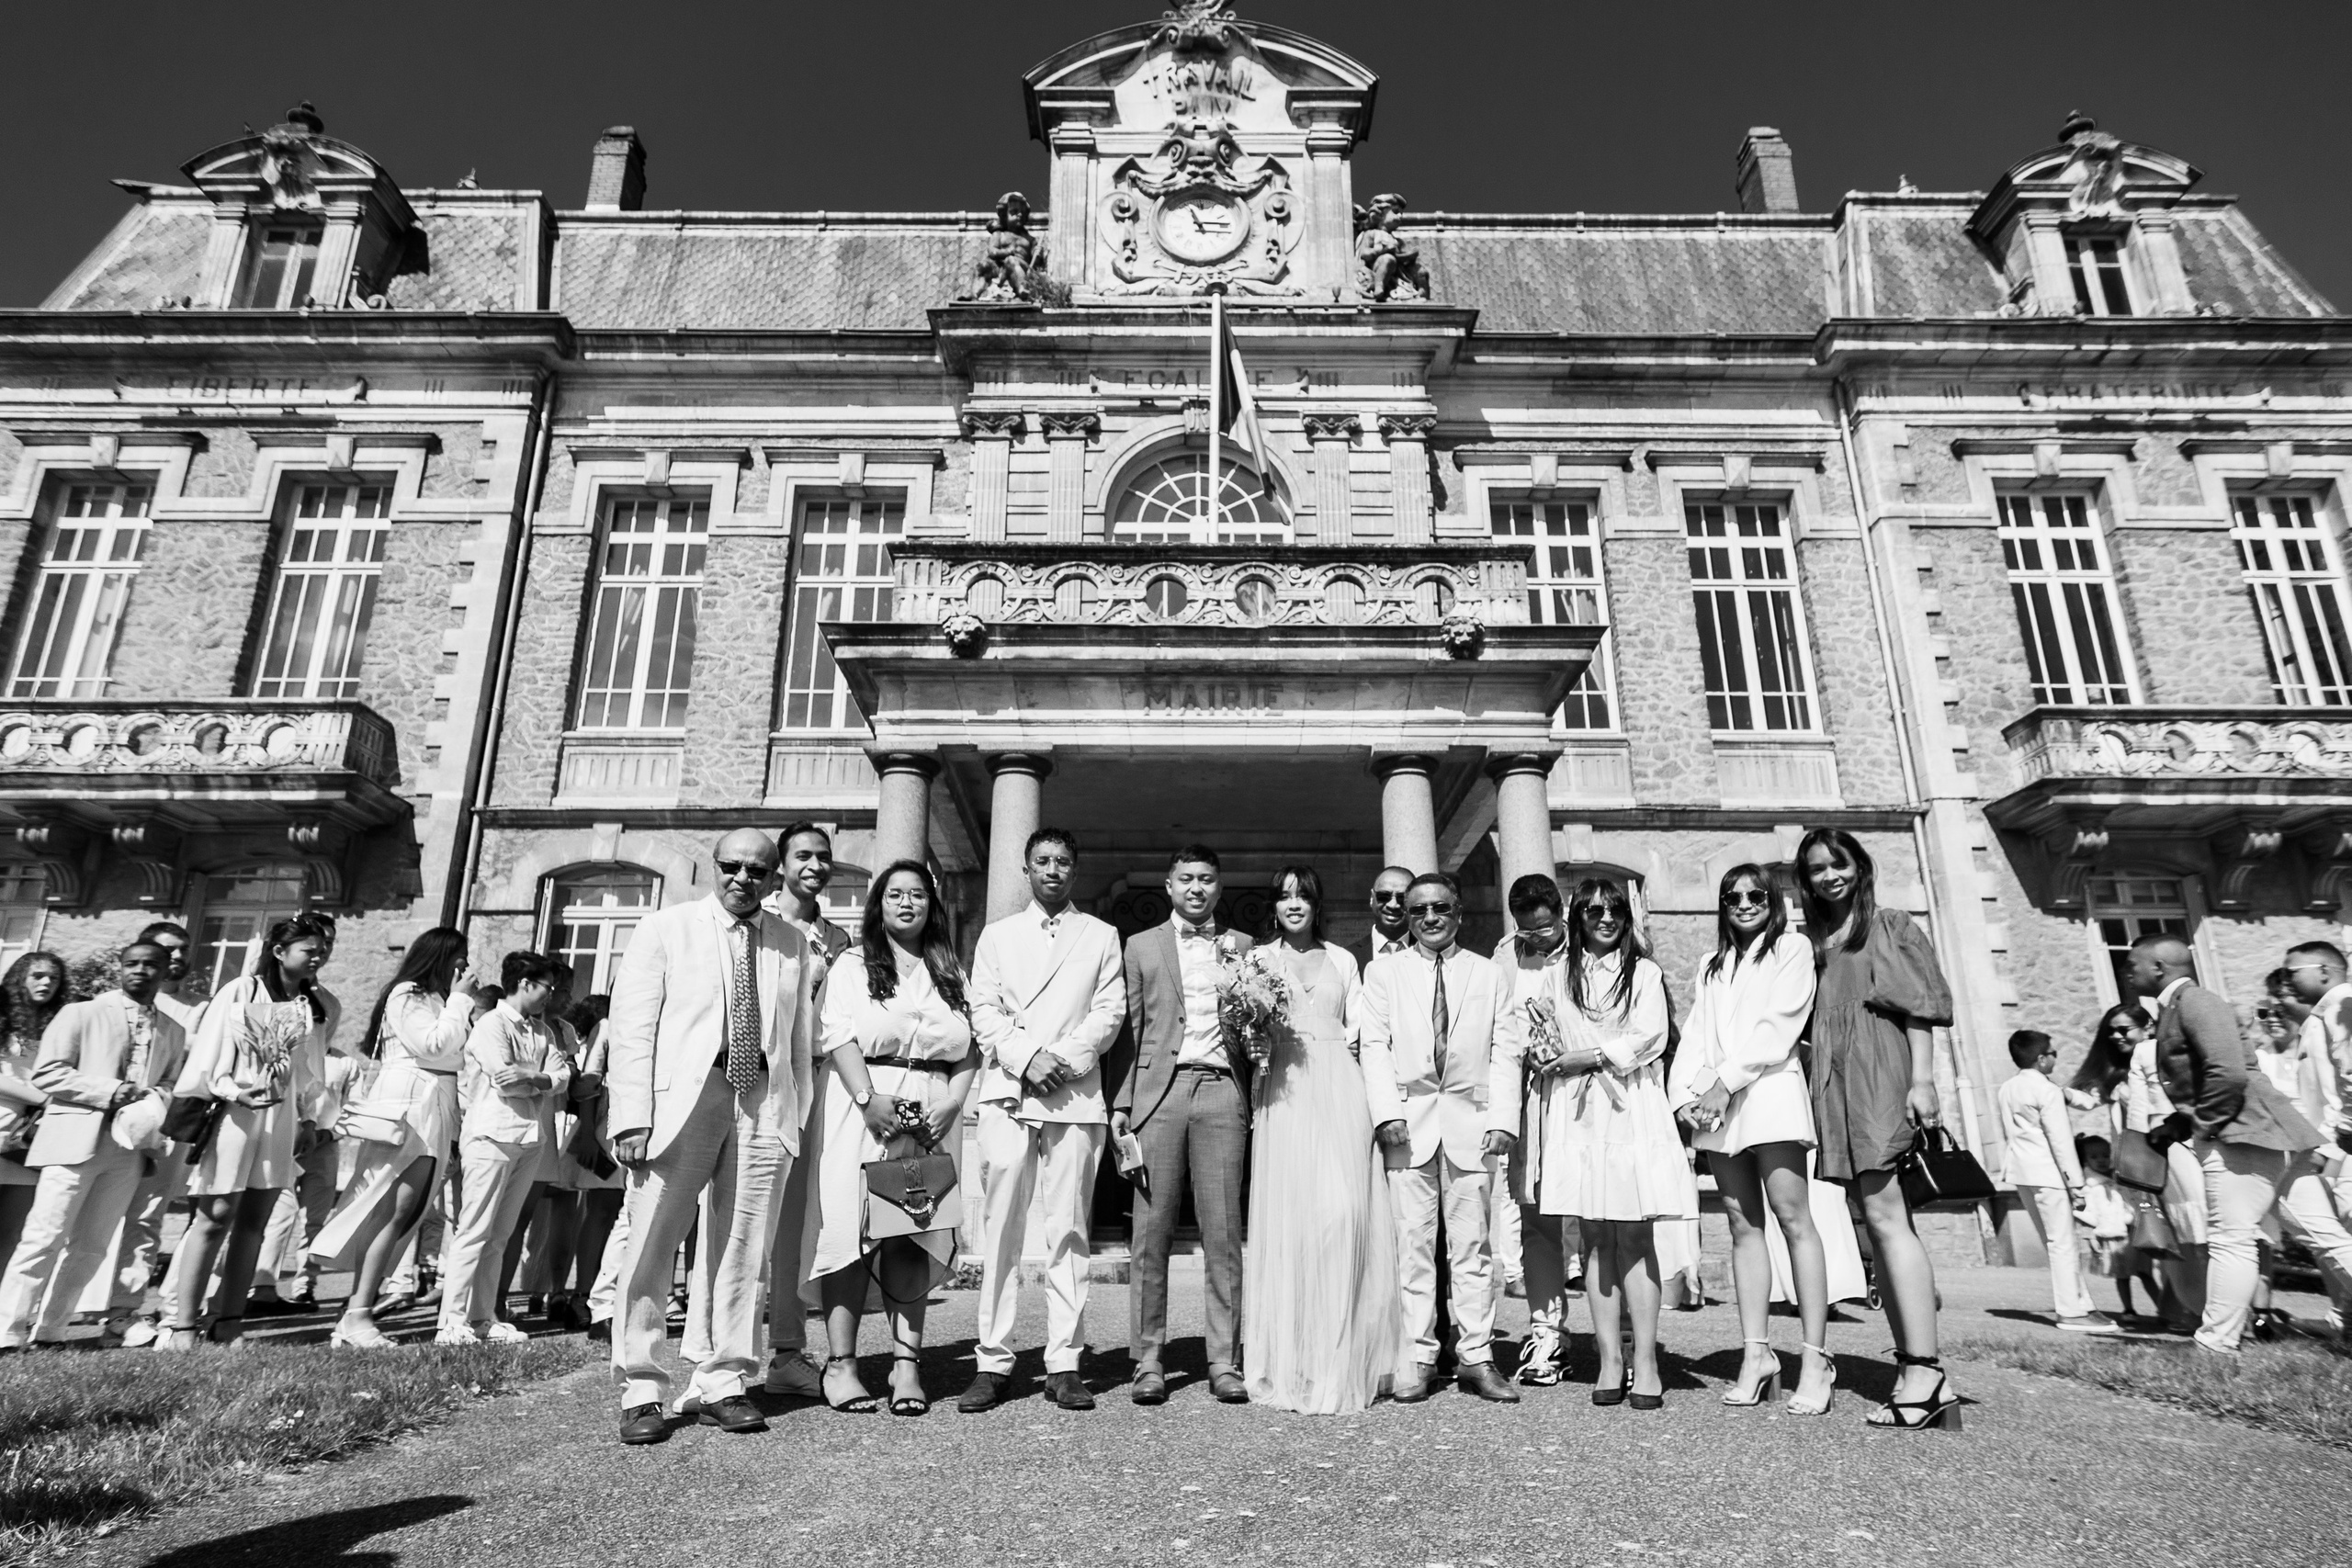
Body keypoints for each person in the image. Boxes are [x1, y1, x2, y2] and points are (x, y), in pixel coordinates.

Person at [606, 829, 823, 1446]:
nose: (743, 879)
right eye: (732, 866)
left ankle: (723, 1378)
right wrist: (630, 1115)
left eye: (758, 870)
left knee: (744, 1245)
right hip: (683, 1100)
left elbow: (800, 1036)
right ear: (714, 866)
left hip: (762, 1099)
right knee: (652, 1240)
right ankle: (642, 1384)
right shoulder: (665, 929)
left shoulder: (791, 941)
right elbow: (633, 1027)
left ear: (773, 874)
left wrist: (794, 1114)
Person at [1495, 877, 1684, 1409]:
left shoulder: (1644, 972)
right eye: (1594, 910)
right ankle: (1608, 1359)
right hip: (1577, 1113)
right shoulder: (1558, 975)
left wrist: (1591, 1056)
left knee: (1635, 1233)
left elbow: (1651, 1035)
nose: (1606, 917)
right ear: (1576, 916)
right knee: (1597, 1234)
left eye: (1616, 909)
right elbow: (1539, 1034)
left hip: (1629, 1106)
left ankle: (1645, 1361)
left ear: (1627, 916)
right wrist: (1540, 1053)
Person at [1796, 827, 1959, 1429]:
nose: (1829, 875)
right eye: (1816, 868)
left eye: (1838, 863)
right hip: (1835, 1077)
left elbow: (1920, 1009)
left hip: (1877, 1070)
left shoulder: (1887, 924)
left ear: (1858, 866)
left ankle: (1924, 1369)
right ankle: (1915, 1367)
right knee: (1876, 1218)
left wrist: (1924, 1081)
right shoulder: (1813, 939)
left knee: (1889, 1218)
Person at [807, 861, 978, 1416]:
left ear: (932, 905)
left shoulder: (949, 968)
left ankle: (907, 1367)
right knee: (851, 1233)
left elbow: (970, 1046)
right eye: (895, 895)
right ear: (878, 905)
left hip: (931, 1110)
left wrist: (954, 1102)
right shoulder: (855, 963)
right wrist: (867, 1100)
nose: (907, 903)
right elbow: (834, 1030)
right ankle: (842, 1365)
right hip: (865, 1105)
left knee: (912, 1230)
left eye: (918, 895)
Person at [964, 828, 1125, 1413]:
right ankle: (993, 1359)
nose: (1052, 870)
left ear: (1075, 870)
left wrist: (1066, 1059)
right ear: (1026, 869)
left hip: (1074, 1094)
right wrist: (1028, 1058)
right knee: (1001, 1229)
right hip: (1010, 1089)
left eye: (1062, 861)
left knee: (1070, 1229)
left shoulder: (1102, 935)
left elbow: (1110, 1010)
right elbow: (982, 1008)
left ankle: (1064, 1362)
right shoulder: (997, 935)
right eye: (1042, 861)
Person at [1668, 863, 1838, 1413]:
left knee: (1794, 1220)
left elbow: (1779, 1025)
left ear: (1773, 898)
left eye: (1755, 894)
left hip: (1770, 1095)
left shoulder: (1792, 949)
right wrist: (1686, 1097)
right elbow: (1695, 1035)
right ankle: (1757, 1353)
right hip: (1719, 1106)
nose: (1743, 903)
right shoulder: (1710, 964)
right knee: (1743, 1227)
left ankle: (1815, 1358)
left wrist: (1723, 1084)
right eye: (1732, 896)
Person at [2130, 933, 2352, 1353]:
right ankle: (2218, 1338)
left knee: (2231, 1237)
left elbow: (2228, 1072)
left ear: (2159, 968)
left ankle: (2216, 1343)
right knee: (2327, 1237)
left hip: (2244, 1134)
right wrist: (2180, 1123)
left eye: (2133, 965)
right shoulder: (2181, 1005)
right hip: (2265, 1132)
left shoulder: (2195, 1001)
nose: (2128, 972)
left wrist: (2203, 1123)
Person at [1243, 864, 1398, 1415]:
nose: (1293, 903)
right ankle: (1296, 1360)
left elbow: (1363, 1032)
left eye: (1303, 894)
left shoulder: (1344, 960)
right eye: (1284, 895)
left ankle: (1340, 1358)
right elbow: (1244, 1032)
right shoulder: (1256, 961)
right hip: (1285, 1092)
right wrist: (1255, 1040)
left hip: (1340, 1087)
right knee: (1295, 1226)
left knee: (1343, 1214)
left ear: (1317, 902)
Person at [1358, 870, 1518, 1404]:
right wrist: (1385, 1114)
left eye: (1440, 909)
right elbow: (1374, 1047)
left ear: (1458, 914)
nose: (1429, 918)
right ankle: (1420, 1356)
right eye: (1419, 909)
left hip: (1472, 1124)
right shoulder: (1383, 973)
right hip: (1408, 1125)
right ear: (1408, 914)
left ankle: (1476, 1356)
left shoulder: (1488, 973)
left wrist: (1502, 1120)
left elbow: (1504, 1049)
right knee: (1413, 1247)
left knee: (1473, 1248)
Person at [1109, 844, 1255, 1405]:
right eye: (1186, 879)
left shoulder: (1243, 948)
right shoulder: (1141, 946)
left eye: (1207, 879)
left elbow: (1257, 1032)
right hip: (1157, 1097)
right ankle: (1148, 1360)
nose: (1196, 888)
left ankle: (1224, 1360)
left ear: (1220, 889)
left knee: (1223, 1234)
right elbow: (1131, 1028)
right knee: (1151, 1233)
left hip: (1222, 1091)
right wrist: (1121, 1102)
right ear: (1169, 886)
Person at [161, 915, 335, 1348]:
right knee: (215, 1214)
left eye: (321, 950)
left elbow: (309, 1070)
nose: (318, 957)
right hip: (234, 1112)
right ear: (279, 952)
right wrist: (232, 1092)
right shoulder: (240, 990)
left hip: (280, 1117)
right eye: (309, 950)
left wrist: (308, 1117)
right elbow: (209, 1052)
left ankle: (229, 1320)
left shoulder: (311, 1006)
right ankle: (183, 1324)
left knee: (257, 1219)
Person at [0, 941, 185, 1351]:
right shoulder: (80, 1013)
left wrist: (155, 1100)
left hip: (131, 1149)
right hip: (73, 1138)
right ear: (121, 969)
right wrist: (112, 1091)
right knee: (43, 1236)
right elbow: (48, 1074)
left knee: (92, 1245)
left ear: (164, 971)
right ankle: (8, 1332)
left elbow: (172, 1085)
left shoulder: (174, 1030)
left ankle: (51, 1332)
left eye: (150, 965)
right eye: (132, 964)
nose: (140, 971)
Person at [310, 927, 479, 1348]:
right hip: (410, 1107)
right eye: (459, 958)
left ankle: (356, 1312)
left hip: (434, 1107)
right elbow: (435, 1045)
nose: (465, 967)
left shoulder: (438, 1000)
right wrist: (460, 1001)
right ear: (439, 957)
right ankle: (357, 1314)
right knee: (392, 1209)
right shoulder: (409, 994)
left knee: (406, 1211)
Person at [758, 821, 852, 1399]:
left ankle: (787, 1352)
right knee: (743, 1222)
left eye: (822, 857)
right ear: (781, 863)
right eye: (802, 856)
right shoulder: (757, 922)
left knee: (796, 1224)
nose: (814, 865)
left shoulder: (838, 939)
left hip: (815, 1084)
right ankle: (725, 1354)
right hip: (756, 1079)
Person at [438, 951, 571, 1345]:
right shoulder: (491, 1025)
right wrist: (542, 1078)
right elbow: (504, 1080)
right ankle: (451, 1321)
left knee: (500, 1233)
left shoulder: (543, 1032)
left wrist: (536, 1074)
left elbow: (563, 1075)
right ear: (525, 984)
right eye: (548, 987)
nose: (552, 994)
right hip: (491, 1136)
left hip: (530, 1138)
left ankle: (482, 1317)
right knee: (474, 1231)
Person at [2068, 1000, 2205, 1329]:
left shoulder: (2163, 1062)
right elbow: (2086, 1099)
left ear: (2147, 1028)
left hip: (2172, 1156)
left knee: (2192, 1233)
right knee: (2163, 1236)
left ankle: (2205, 1309)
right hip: (2137, 1164)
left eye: (2123, 1029)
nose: (2116, 1036)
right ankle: (2182, 1309)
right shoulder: (2116, 1074)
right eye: (2110, 1031)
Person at [93, 922, 198, 1347]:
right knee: (88, 1219)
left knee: (146, 1218)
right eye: (165, 950)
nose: (176, 957)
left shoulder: (198, 1009)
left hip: (161, 1126)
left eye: (182, 950)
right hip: (102, 1124)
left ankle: (123, 1312)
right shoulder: (104, 1005)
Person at [1490, 874, 1574, 1386]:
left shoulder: (1591, 943)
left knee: (1605, 1222)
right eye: (1529, 932)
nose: (1540, 939)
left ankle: (1624, 1336)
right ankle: (1547, 1331)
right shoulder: (1504, 956)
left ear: (1560, 912)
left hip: (1586, 1095)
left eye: (1547, 928)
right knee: (1537, 1219)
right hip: (1532, 1101)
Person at [1996, 1030, 2119, 1334]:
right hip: (2049, 1174)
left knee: (2054, 1242)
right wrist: (2076, 1185)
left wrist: (2088, 1098)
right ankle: (2071, 1312)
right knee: (2063, 1244)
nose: (2055, 1057)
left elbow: (2063, 1094)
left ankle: (2082, 1304)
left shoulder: (2009, 1088)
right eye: (2053, 1053)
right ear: (2041, 1059)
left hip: (2022, 1173)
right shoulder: (2046, 1091)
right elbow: (2061, 1141)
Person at [0, 953, 65, 1285]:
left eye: (53, 978)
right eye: (37, 976)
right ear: (19, 978)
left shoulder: (60, 1025)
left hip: (29, 1142)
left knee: (13, 1234)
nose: (46, 983)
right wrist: (45, 1099)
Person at [1348, 866, 1416, 973]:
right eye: (1384, 896)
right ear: (1372, 898)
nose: (1393, 905)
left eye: (1402, 898)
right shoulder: (1348, 957)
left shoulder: (1430, 953)